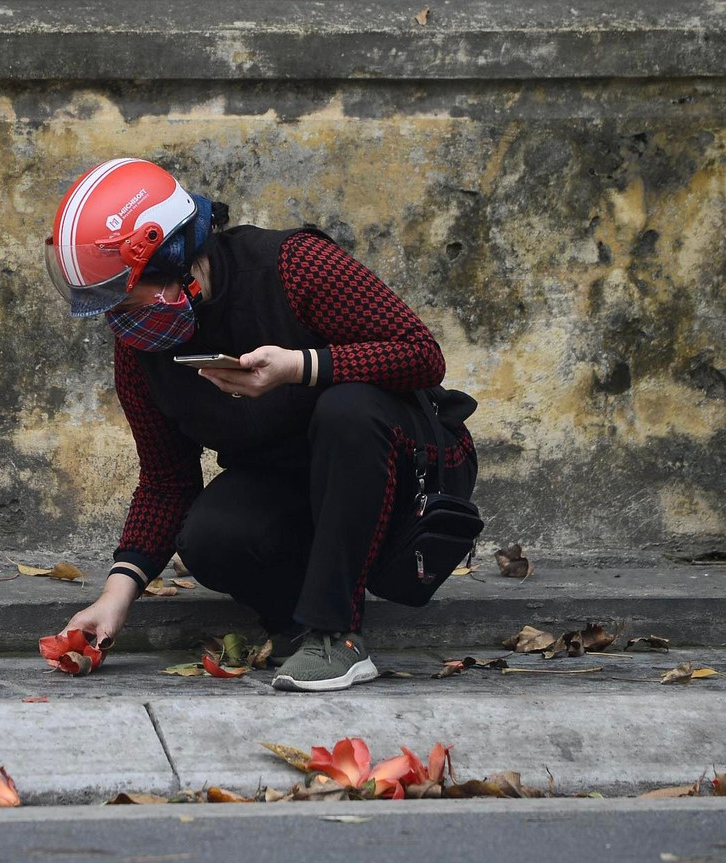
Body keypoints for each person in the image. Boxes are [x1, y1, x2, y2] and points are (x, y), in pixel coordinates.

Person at [43, 158, 478, 692]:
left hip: (408, 473)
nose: (118, 318)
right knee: (208, 536)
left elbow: (421, 356)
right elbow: (165, 483)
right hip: (298, 484)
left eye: (122, 296)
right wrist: (116, 595)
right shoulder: (140, 348)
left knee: (346, 409)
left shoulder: (293, 266)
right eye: (106, 306)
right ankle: (300, 625)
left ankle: (335, 635)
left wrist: (301, 367)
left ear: (173, 255)